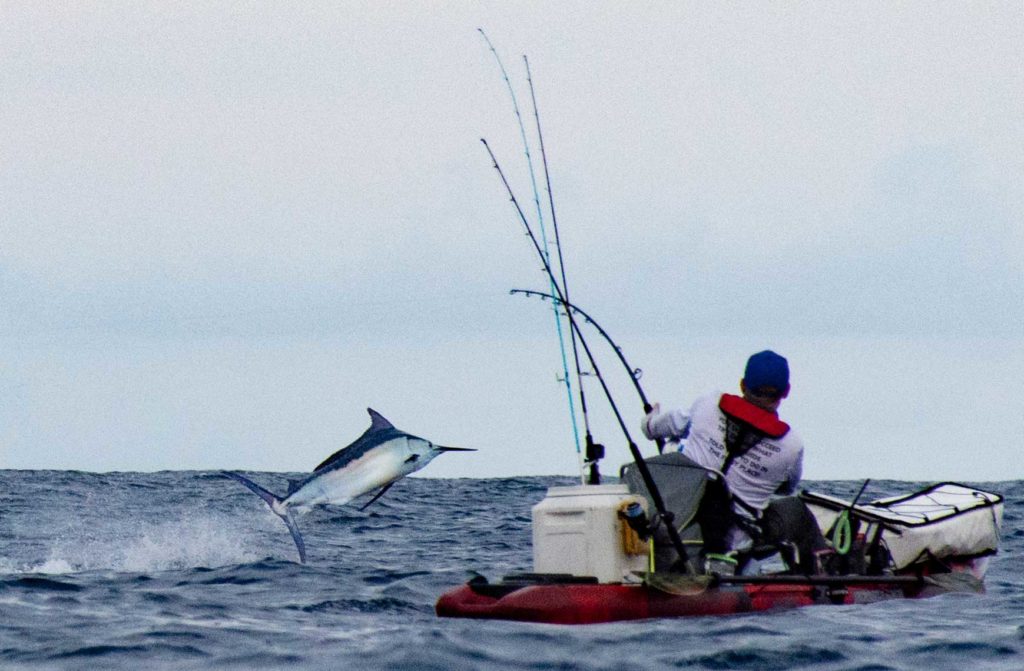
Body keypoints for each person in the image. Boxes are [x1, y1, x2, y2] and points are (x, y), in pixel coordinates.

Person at [641, 350, 804, 564]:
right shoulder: (792, 445)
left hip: (679, 523)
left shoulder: (709, 403)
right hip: (736, 543)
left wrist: (650, 417)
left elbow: (652, 428)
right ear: (786, 391)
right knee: (799, 512)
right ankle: (827, 584)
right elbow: (788, 489)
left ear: (743, 385)